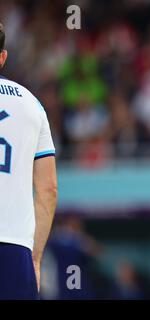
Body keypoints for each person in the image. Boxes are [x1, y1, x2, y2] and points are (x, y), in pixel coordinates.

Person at [0, 23, 57, 299]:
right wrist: (35, 258)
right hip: (15, 249)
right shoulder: (32, 104)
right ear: (2, 58)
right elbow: (48, 190)